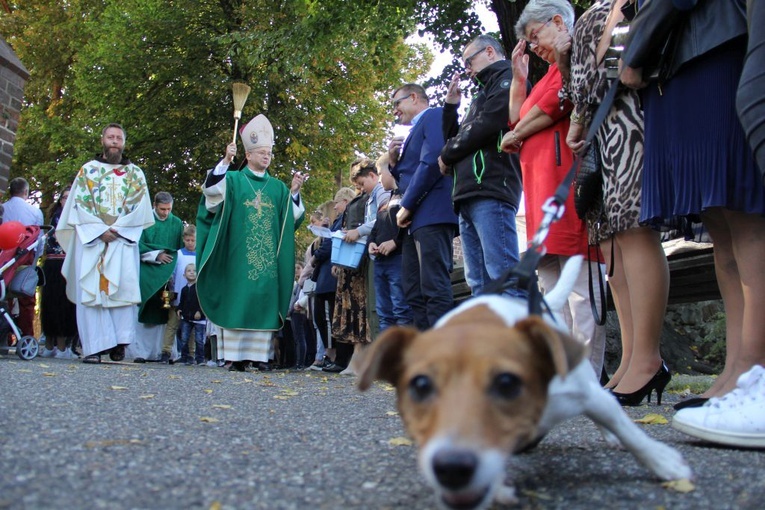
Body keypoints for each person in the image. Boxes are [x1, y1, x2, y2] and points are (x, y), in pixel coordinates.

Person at [619, 0, 765, 441]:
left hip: (709, 45)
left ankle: (754, 368)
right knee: (722, 223)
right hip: (683, 56)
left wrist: (636, 49)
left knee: (744, 213)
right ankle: (737, 369)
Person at [502, 0, 606, 377]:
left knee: (579, 284)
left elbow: (553, 107)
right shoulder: (544, 73)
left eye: (535, 36)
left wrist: (516, 133)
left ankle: (586, 375)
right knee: (549, 286)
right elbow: (517, 116)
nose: (534, 46)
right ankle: (557, 372)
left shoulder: (572, 58)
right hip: (540, 191)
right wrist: (518, 78)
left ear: (557, 22)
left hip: (567, 183)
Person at [196, 114, 305, 373]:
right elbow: (211, 197)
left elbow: (290, 220)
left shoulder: (278, 188)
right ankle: (234, 357)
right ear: (248, 154)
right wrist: (224, 162)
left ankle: (258, 357)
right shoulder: (233, 180)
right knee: (237, 301)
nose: (267, 157)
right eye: (261, 152)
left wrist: (295, 193)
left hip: (266, 260)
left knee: (262, 303)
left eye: (269, 152)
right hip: (237, 257)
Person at [57, 123, 154, 364]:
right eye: (110, 137)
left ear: (124, 142)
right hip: (93, 243)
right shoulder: (87, 171)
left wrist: (118, 230)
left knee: (122, 290)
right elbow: (79, 204)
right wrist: (99, 231)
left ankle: (120, 343)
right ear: (103, 140)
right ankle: (94, 347)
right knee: (92, 294)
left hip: (122, 241)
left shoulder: (136, 174)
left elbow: (139, 206)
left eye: (118, 138)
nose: (114, 141)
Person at [438, 35, 524, 298]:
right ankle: (492, 339)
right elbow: (455, 138)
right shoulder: (481, 95)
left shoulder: (508, 78)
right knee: (478, 282)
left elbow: (489, 125)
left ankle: (521, 338)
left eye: (469, 61)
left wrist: (447, 155)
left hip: (491, 188)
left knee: (504, 275)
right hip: (467, 194)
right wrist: (451, 108)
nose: (466, 69)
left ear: (489, 51)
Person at [388, 84, 458, 330]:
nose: (394, 110)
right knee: (413, 289)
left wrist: (406, 205)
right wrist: (394, 163)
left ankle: (444, 357)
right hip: (414, 221)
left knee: (434, 285)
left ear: (414, 97)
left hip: (431, 213)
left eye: (396, 103)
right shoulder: (413, 131)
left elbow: (432, 161)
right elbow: (407, 177)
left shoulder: (434, 115)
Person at [328, 159, 386, 375]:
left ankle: (363, 357)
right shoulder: (363, 199)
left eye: (361, 183)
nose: (359, 188)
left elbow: (374, 222)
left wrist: (358, 232)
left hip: (362, 257)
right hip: (351, 256)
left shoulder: (373, 197)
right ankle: (355, 357)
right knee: (352, 308)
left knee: (364, 308)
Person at [128, 191, 184, 363]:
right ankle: (141, 352)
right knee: (146, 307)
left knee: (166, 310)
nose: (166, 213)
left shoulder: (176, 223)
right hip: (147, 271)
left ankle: (165, 351)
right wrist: (157, 254)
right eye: (162, 209)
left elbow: (179, 248)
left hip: (168, 273)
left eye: (168, 209)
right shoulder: (145, 221)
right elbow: (137, 243)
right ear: (154, 205)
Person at [308, 189, 352, 371]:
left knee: (329, 317)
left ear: (346, 201)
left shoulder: (345, 220)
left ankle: (334, 355)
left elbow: (330, 245)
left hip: (330, 277)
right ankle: (331, 354)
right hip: (326, 276)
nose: (336, 206)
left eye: (338, 202)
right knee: (323, 316)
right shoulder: (335, 223)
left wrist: (316, 257)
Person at [368, 154, 411, 332]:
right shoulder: (385, 202)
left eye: (380, 173)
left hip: (398, 260)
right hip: (380, 262)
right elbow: (376, 228)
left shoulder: (406, 193)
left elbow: (407, 225)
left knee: (401, 308)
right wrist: (371, 243)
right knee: (384, 312)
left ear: (391, 170)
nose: (379, 179)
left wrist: (395, 242)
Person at [39, 186, 79, 359]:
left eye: (70, 198)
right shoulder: (54, 218)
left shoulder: (77, 218)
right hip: (52, 263)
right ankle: (49, 343)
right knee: (49, 303)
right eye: (64, 197)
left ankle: (63, 346)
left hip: (68, 264)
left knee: (65, 305)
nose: (66, 201)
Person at [2, 177, 44, 338]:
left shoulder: (3, 209)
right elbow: (39, 238)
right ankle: (27, 334)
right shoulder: (34, 212)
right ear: (26, 192)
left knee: (4, 294)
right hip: (25, 256)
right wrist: (37, 257)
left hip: (4, 257)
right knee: (25, 295)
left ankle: (5, 335)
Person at [163, 224, 197, 363]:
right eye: (188, 240)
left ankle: (191, 353)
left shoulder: (200, 255)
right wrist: (171, 292)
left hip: (193, 298)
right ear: (184, 239)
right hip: (178, 296)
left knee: (192, 328)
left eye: (193, 240)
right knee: (172, 325)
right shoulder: (178, 254)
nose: (190, 243)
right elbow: (172, 275)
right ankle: (166, 351)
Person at [177, 263, 206, 366]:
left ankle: (200, 359)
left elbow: (203, 301)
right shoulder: (184, 289)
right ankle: (184, 357)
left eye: (194, 271)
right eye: (189, 271)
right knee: (184, 338)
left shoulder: (199, 288)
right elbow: (182, 302)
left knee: (199, 339)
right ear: (184, 275)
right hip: (186, 318)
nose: (192, 272)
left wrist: (200, 311)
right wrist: (179, 309)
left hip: (199, 318)